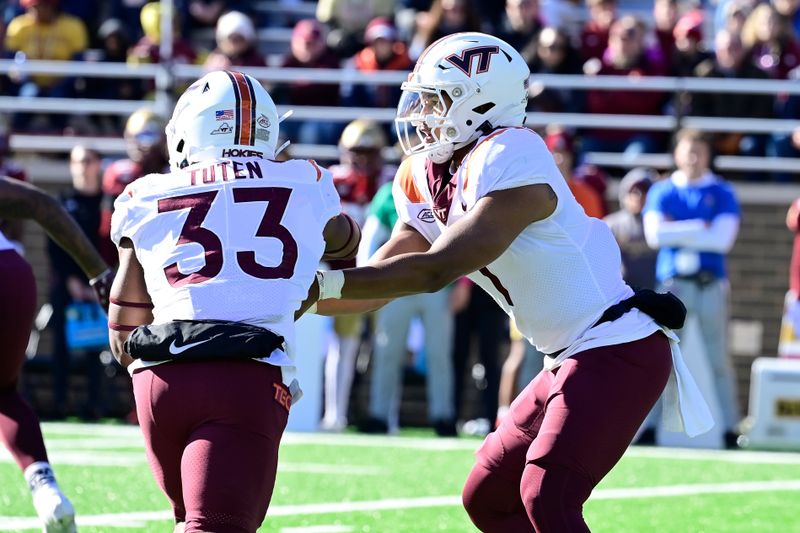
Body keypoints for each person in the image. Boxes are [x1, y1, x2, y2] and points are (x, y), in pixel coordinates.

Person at [307, 32, 712, 531]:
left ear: (481, 104)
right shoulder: (421, 174)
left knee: (547, 494)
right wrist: (289, 296)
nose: (422, 113)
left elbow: (435, 270)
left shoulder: (512, 153)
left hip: (615, 347)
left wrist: (318, 289)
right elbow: (378, 281)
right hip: (567, 356)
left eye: (438, 100)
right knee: (489, 497)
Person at [105, 70, 358, 533]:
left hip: (158, 378)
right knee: (217, 524)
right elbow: (343, 246)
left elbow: (123, 328)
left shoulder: (143, 193)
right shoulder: (307, 179)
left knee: (190, 520)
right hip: (246, 373)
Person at [0, 176, 112, 533]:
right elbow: (43, 205)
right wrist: (99, 271)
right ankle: (44, 485)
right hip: (10, 273)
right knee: (4, 395)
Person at [643, 129, 742, 449]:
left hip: (710, 284)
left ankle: (731, 428)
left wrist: (678, 230)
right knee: (662, 359)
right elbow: (655, 236)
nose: (694, 158)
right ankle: (647, 427)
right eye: (689, 151)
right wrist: (701, 226)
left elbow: (722, 240)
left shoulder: (722, 191)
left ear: (709, 154)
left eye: (700, 151)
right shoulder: (662, 191)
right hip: (673, 288)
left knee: (719, 360)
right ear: (676, 154)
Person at [356, 180, 456, 436]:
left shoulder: (447, 184)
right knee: (388, 350)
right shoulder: (389, 191)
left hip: (437, 282)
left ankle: (443, 416)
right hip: (398, 283)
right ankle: (379, 414)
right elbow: (371, 236)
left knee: (439, 353)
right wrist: (367, 278)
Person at [320, 118, 393, 431]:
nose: (361, 158)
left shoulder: (391, 180)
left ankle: (385, 415)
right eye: (356, 151)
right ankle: (335, 413)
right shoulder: (331, 180)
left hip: (385, 273)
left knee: (387, 347)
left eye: (368, 150)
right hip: (343, 276)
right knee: (343, 347)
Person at [47, 145, 106, 420]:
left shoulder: (108, 203)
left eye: (87, 161)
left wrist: (101, 281)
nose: (81, 167)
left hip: (99, 286)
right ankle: (60, 402)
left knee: (95, 347)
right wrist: (72, 281)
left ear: (98, 164)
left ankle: (95, 404)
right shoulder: (63, 202)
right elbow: (55, 244)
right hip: (67, 287)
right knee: (62, 345)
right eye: (76, 162)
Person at [604, 166, 658, 291]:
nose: (639, 197)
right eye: (634, 191)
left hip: (656, 296)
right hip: (621, 296)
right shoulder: (611, 225)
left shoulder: (658, 223)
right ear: (624, 194)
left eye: (645, 191)